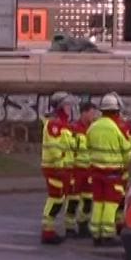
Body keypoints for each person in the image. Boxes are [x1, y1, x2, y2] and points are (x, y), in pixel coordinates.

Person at [85, 92, 131, 247]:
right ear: (115, 110)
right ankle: (107, 234)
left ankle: (96, 233)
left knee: (98, 202)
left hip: (96, 172)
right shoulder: (117, 128)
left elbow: (87, 147)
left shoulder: (93, 127)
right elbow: (127, 152)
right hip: (113, 173)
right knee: (111, 204)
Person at [39, 93, 76, 244]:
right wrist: (61, 163)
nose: (70, 108)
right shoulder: (55, 124)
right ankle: (47, 232)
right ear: (60, 107)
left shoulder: (63, 123)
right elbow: (54, 148)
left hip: (63, 168)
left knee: (60, 199)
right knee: (55, 199)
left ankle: (49, 230)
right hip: (55, 168)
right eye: (67, 105)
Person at [67, 97, 99, 236]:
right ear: (84, 113)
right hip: (76, 169)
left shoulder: (94, 129)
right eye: (92, 113)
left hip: (90, 170)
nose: (94, 116)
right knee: (73, 199)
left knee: (88, 199)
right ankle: (69, 226)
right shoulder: (74, 129)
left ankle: (83, 224)